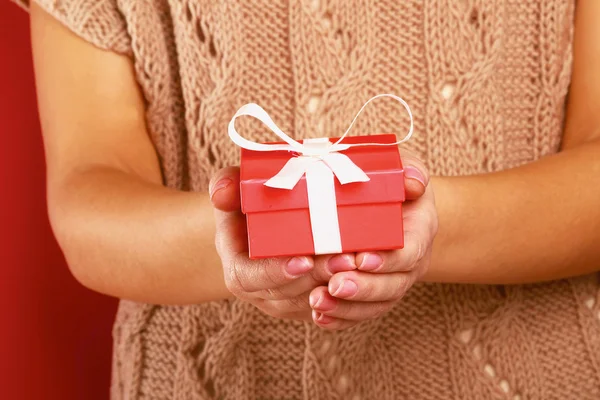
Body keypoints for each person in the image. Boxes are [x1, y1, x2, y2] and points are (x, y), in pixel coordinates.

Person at [16, 0, 600, 398]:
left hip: (530, 377)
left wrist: (435, 227)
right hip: (206, 380)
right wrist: (234, 239)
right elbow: (89, 193)